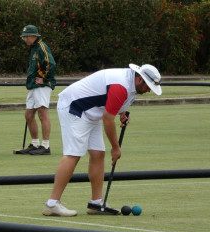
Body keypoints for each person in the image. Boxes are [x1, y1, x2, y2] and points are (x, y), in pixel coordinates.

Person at [42, 63, 162, 216]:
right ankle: (52, 204)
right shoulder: (121, 85)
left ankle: (96, 203)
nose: (149, 90)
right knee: (74, 154)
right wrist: (116, 147)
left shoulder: (133, 85)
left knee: (98, 153)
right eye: (149, 86)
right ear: (139, 79)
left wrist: (122, 112)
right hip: (75, 107)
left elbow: (113, 104)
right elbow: (107, 119)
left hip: (91, 112)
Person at [19, 25, 56, 155]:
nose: (25, 39)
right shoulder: (34, 48)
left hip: (42, 86)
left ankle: (45, 146)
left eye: (27, 37)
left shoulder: (41, 47)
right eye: (24, 37)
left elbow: (51, 64)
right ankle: (35, 144)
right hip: (33, 86)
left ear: (34, 36)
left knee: (42, 113)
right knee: (29, 115)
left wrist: (44, 79)